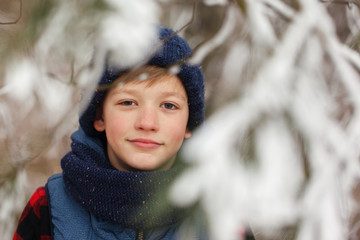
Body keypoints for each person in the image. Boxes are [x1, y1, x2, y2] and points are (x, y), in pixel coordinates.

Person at [13, 26, 254, 240]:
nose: (147, 123)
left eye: (168, 106)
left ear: (189, 125)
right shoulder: (50, 205)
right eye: (128, 103)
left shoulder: (221, 212)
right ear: (99, 116)